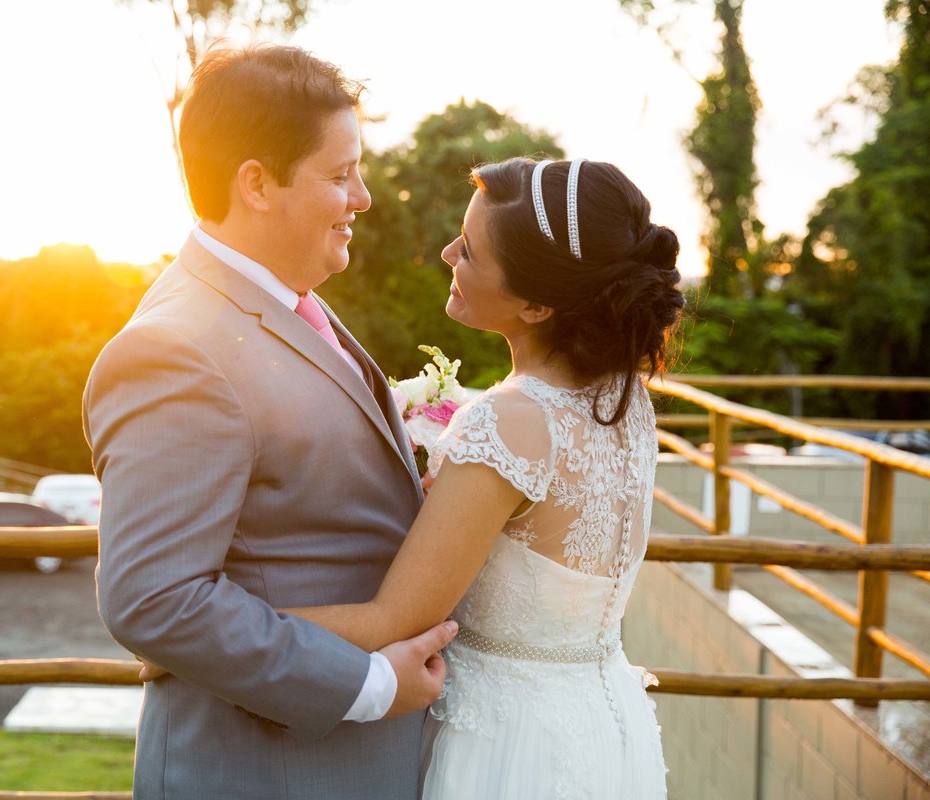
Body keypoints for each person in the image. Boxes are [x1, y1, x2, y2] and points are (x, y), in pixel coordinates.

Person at [82, 43, 457, 800]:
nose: (363, 198)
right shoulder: (177, 350)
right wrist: (368, 685)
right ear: (255, 183)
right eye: (340, 174)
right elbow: (155, 599)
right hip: (266, 770)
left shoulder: (286, 303)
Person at [274, 157, 684, 797]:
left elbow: (391, 620)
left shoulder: (506, 422)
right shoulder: (626, 402)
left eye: (468, 250)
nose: (447, 253)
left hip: (509, 748)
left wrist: (212, 633)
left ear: (538, 303)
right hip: (604, 728)